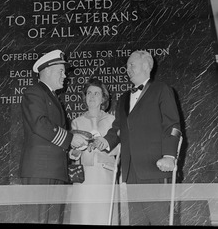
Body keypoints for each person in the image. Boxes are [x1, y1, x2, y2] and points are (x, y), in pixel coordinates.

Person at [93, 50, 182, 226]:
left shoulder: (162, 90)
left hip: (155, 167)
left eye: (131, 65)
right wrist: (106, 142)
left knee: (160, 220)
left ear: (146, 66)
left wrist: (170, 156)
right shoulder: (124, 97)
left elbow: (173, 126)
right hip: (131, 170)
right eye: (126, 66)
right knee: (136, 221)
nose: (128, 69)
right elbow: (118, 127)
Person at [19, 49, 89, 224]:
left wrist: (71, 149)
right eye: (61, 71)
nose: (65, 76)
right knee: (39, 219)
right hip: (40, 170)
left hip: (54, 169)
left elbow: (53, 134)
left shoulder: (52, 96)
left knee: (52, 220)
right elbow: (39, 124)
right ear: (47, 71)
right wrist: (70, 139)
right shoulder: (34, 92)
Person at [68, 77, 120, 225]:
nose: (92, 96)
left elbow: (119, 148)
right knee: (84, 216)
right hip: (84, 176)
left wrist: (105, 145)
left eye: (96, 93)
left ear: (103, 97)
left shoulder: (112, 120)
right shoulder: (77, 122)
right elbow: (72, 153)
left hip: (105, 174)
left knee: (104, 216)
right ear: (84, 97)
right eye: (89, 93)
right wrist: (77, 150)